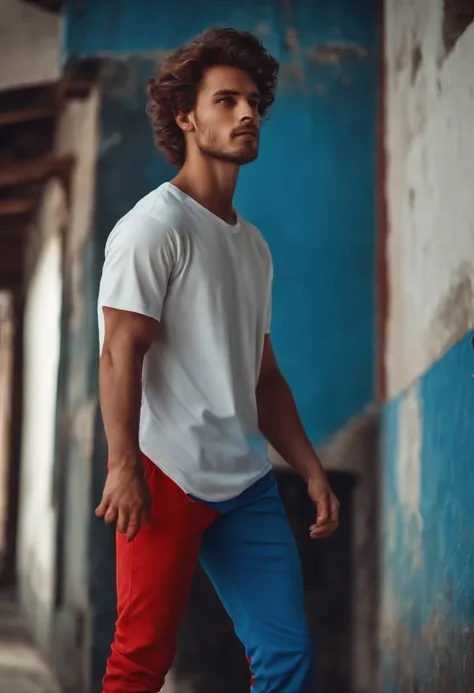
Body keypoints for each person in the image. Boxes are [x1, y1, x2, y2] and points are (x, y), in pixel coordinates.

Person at [96, 27, 339, 693]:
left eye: (255, 101)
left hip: (246, 483)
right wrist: (124, 468)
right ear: (185, 116)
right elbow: (120, 352)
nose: (247, 114)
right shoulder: (155, 227)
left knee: (287, 656)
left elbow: (263, 376)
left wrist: (312, 471)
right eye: (227, 100)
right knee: (140, 660)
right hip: (162, 473)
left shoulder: (253, 247)